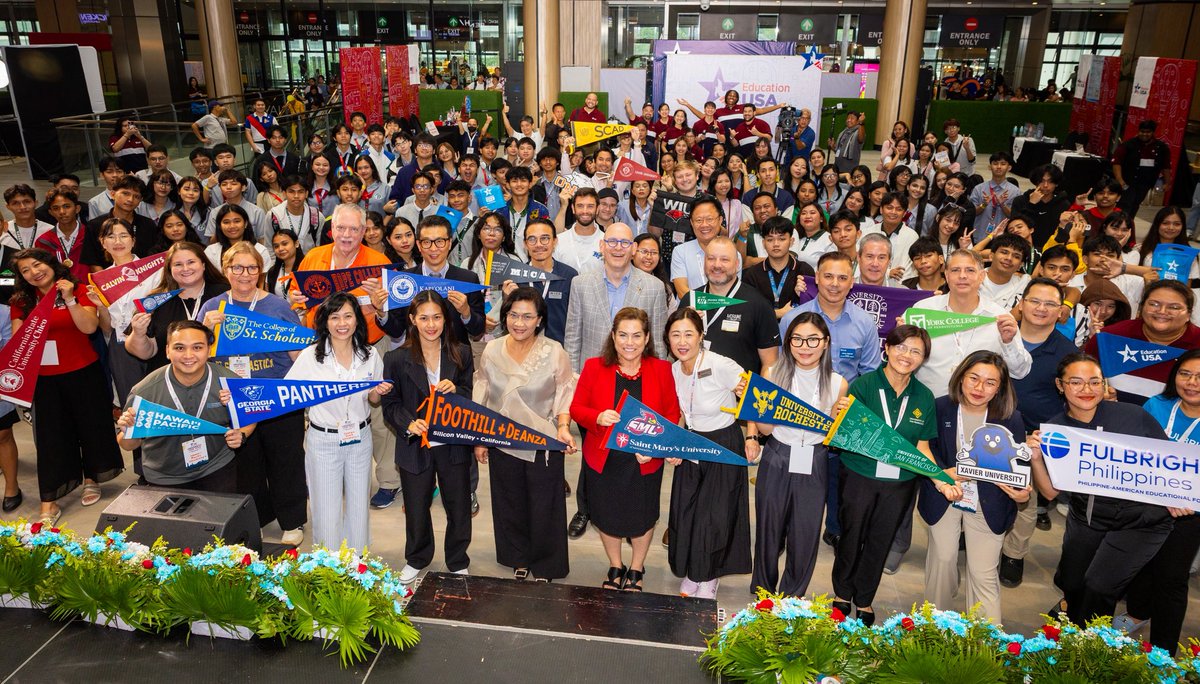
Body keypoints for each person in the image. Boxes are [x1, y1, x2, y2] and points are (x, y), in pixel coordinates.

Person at [1027, 352, 1180, 626]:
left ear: (1105, 385)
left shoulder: (1134, 416)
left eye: (1094, 382)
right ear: (1060, 385)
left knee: (1099, 587)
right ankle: (1070, 614)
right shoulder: (1055, 431)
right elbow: (1049, 493)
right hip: (1088, 518)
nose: (1086, 390)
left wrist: (1176, 496)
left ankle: (1088, 651)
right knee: (1071, 582)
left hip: (1142, 521)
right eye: (1076, 382)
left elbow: (1171, 465)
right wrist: (1036, 459)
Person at [198, 242, 307, 545]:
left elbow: (300, 356)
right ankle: (257, 517)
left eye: (252, 268)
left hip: (278, 398)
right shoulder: (212, 307)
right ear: (226, 269)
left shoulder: (277, 306)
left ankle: (293, 519)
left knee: (286, 461)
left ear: (261, 271)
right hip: (235, 400)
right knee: (247, 464)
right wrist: (205, 329)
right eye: (237, 267)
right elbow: (198, 356)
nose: (245, 274)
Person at [832, 325, 939, 626]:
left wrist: (939, 478)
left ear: (923, 359)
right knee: (852, 534)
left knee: (881, 540)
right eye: (901, 347)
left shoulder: (924, 396)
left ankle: (864, 598)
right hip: (859, 473)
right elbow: (846, 433)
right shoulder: (864, 385)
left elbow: (923, 447)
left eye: (916, 351)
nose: (907, 355)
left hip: (900, 482)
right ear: (887, 349)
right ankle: (842, 593)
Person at [570, 307, 679, 592]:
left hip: (644, 461)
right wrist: (597, 417)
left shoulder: (662, 370)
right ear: (613, 336)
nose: (629, 342)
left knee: (642, 517)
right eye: (623, 335)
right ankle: (616, 565)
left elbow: (671, 414)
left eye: (636, 336)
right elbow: (576, 408)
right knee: (606, 516)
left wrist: (656, 447)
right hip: (604, 460)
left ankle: (637, 567)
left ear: (647, 339)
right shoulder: (595, 367)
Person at [10, 248, 123, 525]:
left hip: (84, 371)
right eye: (26, 270)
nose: (34, 272)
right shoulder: (21, 301)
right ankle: (49, 501)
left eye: (38, 265)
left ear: (51, 264)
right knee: (51, 437)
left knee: (91, 427)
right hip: (45, 379)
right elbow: (19, 340)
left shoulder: (79, 289)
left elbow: (89, 328)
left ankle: (91, 478)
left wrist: (70, 299)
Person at [474, 287, 576, 582]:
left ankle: (546, 563)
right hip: (501, 438)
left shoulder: (553, 351)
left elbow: (566, 391)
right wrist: (480, 438)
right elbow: (482, 390)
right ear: (505, 316)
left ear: (539, 319)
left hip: (541, 441)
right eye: (513, 315)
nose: (519, 323)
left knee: (545, 504)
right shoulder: (492, 350)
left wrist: (562, 427)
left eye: (527, 317)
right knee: (509, 501)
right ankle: (516, 556)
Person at [921, 351, 1030, 623]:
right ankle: (934, 626)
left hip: (989, 499)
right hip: (945, 493)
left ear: (1000, 388)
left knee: (983, 572)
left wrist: (1022, 490)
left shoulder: (1011, 419)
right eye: (974, 378)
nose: (980, 388)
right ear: (961, 378)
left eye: (990, 382)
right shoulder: (940, 407)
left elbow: (1017, 468)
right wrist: (942, 476)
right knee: (943, 560)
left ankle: (986, 642)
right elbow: (926, 450)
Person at [748, 312, 848, 595]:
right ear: (789, 342)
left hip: (814, 459)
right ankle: (763, 594)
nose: (805, 346)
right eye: (798, 339)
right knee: (768, 529)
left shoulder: (838, 383)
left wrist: (838, 419)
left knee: (805, 533)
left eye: (813, 340)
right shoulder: (771, 373)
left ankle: (793, 597)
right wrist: (766, 405)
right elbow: (765, 430)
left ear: (826, 342)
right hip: (777, 455)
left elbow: (833, 438)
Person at [285, 292, 392, 551]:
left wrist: (379, 391)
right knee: (325, 508)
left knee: (358, 506)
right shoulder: (311, 356)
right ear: (325, 322)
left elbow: (373, 400)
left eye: (348, 316)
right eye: (335, 317)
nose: (342, 323)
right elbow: (286, 393)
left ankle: (358, 565)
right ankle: (328, 567)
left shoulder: (369, 355)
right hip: (324, 440)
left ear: (357, 320)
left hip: (359, 437)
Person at [382, 291, 475, 583]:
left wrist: (457, 392)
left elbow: (472, 395)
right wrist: (409, 423)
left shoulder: (461, 352)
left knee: (458, 505)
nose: (431, 324)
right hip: (414, 444)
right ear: (412, 320)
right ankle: (417, 557)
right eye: (424, 318)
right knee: (416, 505)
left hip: (453, 443)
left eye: (437, 317)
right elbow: (390, 404)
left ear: (445, 320)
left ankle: (458, 559)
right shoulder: (396, 358)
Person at [663, 308, 752, 598]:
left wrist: (751, 435)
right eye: (676, 334)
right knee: (685, 511)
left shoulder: (720, 364)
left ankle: (709, 576)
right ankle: (693, 570)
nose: (682, 341)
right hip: (691, 441)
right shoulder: (674, 369)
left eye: (689, 333)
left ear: (701, 336)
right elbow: (679, 411)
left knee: (713, 516)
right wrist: (675, 443)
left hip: (723, 443)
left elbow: (752, 395)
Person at [997, 279, 1079, 588]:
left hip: (1033, 438)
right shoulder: (999, 335)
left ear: (1060, 311)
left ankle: (1014, 554)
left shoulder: (1066, 353)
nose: (1041, 309)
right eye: (1035, 301)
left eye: (1049, 304)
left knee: (1025, 502)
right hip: (990, 429)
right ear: (1021, 302)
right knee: (983, 487)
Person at [1122, 350, 1200, 653]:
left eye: (1199, 377)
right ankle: (1138, 613)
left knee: (1171, 578)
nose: (1192, 382)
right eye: (1185, 374)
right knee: (1139, 564)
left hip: (1189, 511)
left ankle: (1162, 654)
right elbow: (1134, 452)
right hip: (1145, 501)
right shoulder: (1156, 405)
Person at [117, 321, 251, 492]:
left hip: (217, 466)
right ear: (167, 351)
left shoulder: (229, 381)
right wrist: (128, 429)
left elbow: (250, 414)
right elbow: (127, 445)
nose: (189, 355)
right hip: (165, 475)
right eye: (179, 348)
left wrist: (242, 433)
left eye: (197, 347)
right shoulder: (144, 391)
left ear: (209, 350)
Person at [912, 249, 1032, 397]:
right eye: (955, 270)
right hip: (926, 407)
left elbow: (1020, 372)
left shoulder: (1000, 317)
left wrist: (1008, 343)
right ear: (947, 275)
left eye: (970, 270)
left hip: (976, 410)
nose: (962, 276)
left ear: (982, 276)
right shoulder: (923, 310)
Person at [1084, 279, 1200, 402]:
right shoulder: (1108, 338)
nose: (1162, 311)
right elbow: (1082, 382)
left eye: (1174, 307)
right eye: (1154, 304)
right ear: (1141, 307)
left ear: (1189, 314)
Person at [679, 237, 779, 375]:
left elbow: (770, 363)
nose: (717, 265)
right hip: (693, 392)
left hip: (738, 394)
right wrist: (685, 325)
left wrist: (756, 396)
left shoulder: (758, 304)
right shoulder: (689, 300)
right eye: (711, 258)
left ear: (737, 264)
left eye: (724, 259)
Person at [126, 241, 229, 373]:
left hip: (216, 376)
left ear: (203, 265)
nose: (185, 268)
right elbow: (145, 353)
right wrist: (138, 333)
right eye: (178, 264)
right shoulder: (156, 301)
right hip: (169, 380)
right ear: (169, 269)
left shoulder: (225, 294)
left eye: (191, 262)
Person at [89, 218, 155, 403]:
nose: (117, 242)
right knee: (133, 403)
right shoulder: (100, 279)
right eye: (111, 236)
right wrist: (100, 305)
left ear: (133, 241)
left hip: (154, 339)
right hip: (121, 346)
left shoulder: (154, 269)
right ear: (102, 242)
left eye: (123, 236)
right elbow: (107, 328)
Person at [499, 218, 576, 346]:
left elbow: (575, 322)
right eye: (532, 239)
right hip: (523, 351)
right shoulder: (515, 277)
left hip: (559, 350)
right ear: (525, 244)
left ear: (555, 241)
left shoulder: (569, 276)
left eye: (545, 238)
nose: (539, 244)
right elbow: (506, 323)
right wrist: (508, 299)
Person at [741, 216, 812, 319]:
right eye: (770, 240)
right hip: (762, 332)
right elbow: (747, 312)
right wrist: (778, 313)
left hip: (796, 331)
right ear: (763, 243)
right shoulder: (752, 274)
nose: (776, 244)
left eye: (782, 239)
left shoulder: (804, 270)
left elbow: (812, 308)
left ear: (791, 241)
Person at [1112, 120, 1172, 218]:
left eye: (1148, 132)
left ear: (1152, 133)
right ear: (1138, 131)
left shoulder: (1161, 147)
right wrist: (1120, 181)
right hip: (1128, 182)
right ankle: (1117, 224)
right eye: (1142, 131)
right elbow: (1116, 163)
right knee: (1125, 205)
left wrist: (1167, 182)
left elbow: (1166, 166)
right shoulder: (1128, 145)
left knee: (1135, 205)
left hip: (1145, 183)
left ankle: (1128, 225)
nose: (1144, 134)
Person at [1011, 164, 1072, 248]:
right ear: (1036, 182)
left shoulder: (1063, 204)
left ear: (1056, 183)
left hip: (1052, 249)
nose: (1045, 185)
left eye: (1050, 181)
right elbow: (1015, 227)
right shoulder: (1020, 201)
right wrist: (1031, 204)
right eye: (1041, 181)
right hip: (1024, 248)